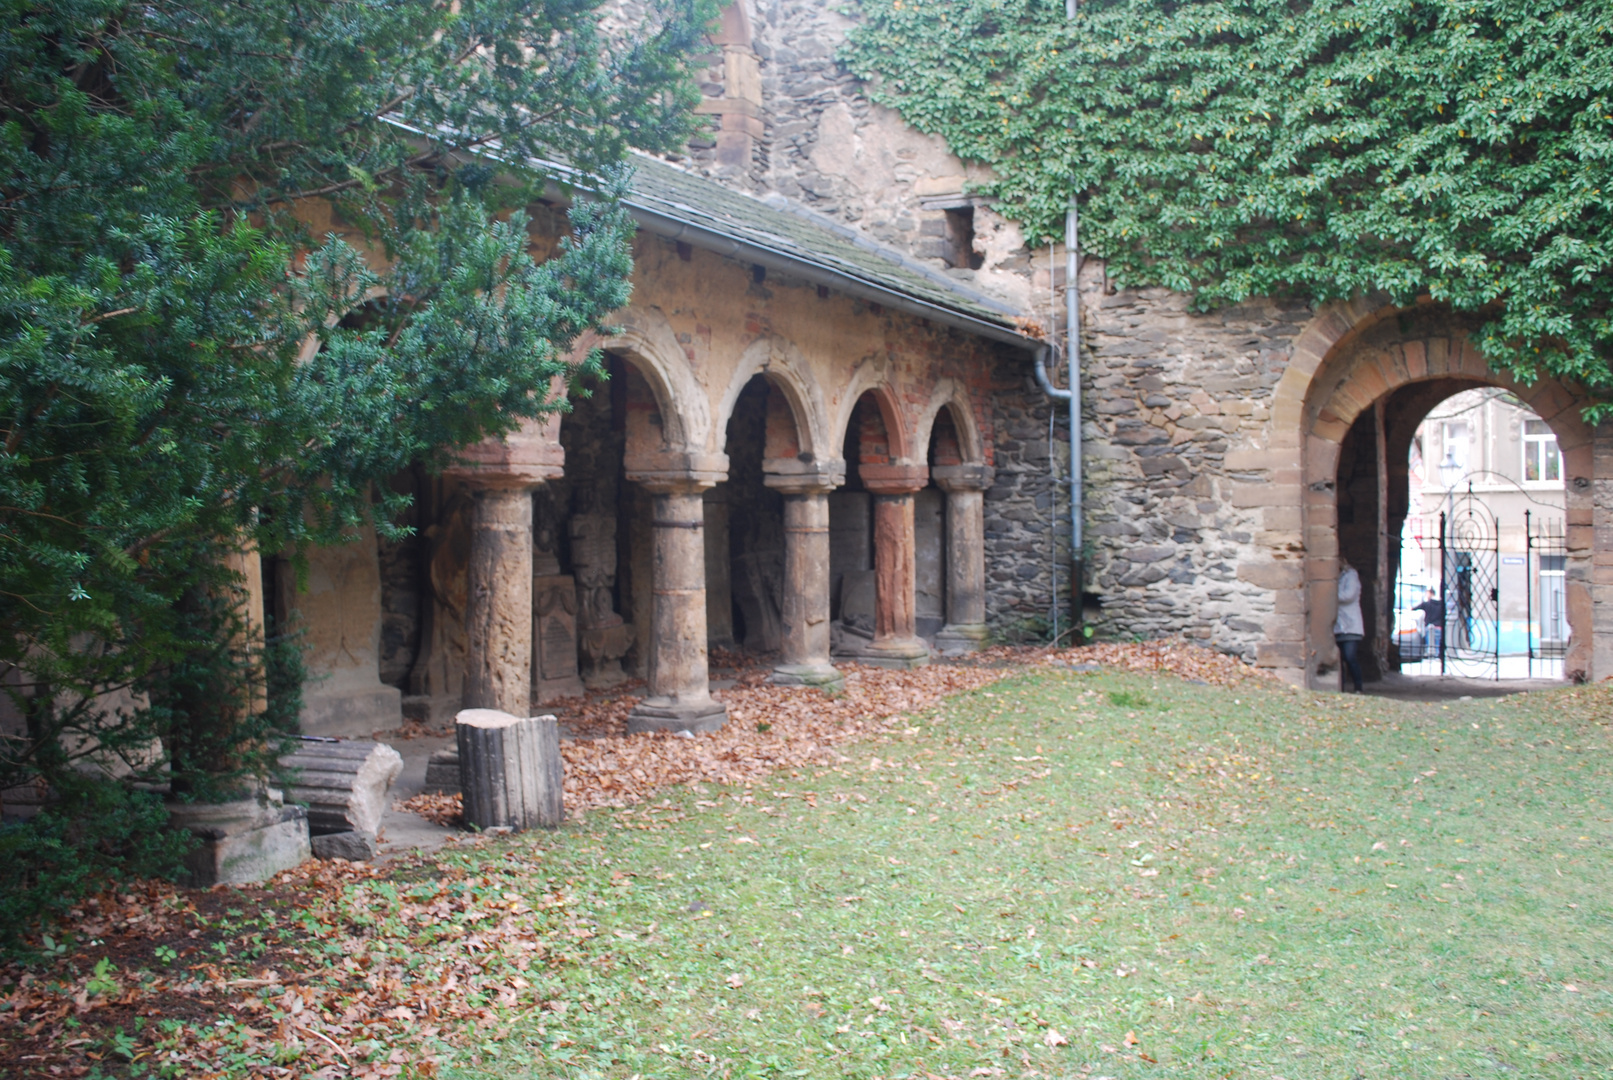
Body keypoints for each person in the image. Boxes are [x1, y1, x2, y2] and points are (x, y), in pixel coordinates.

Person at [1334, 559, 1365, 692]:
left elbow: (1348, 595)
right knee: (1338, 659)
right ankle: (1341, 687)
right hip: (1338, 625)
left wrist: (1328, 595)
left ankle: (1358, 686)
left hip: (1351, 625)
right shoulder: (1337, 577)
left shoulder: (1351, 576)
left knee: (1349, 656)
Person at [1413, 588, 1445, 658]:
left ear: (1430, 594)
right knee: (1438, 642)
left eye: (1427, 593)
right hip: (1439, 626)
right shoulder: (1441, 604)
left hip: (1429, 625)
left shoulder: (1427, 604)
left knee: (1429, 642)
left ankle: (1430, 654)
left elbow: (1414, 608)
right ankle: (1437, 654)